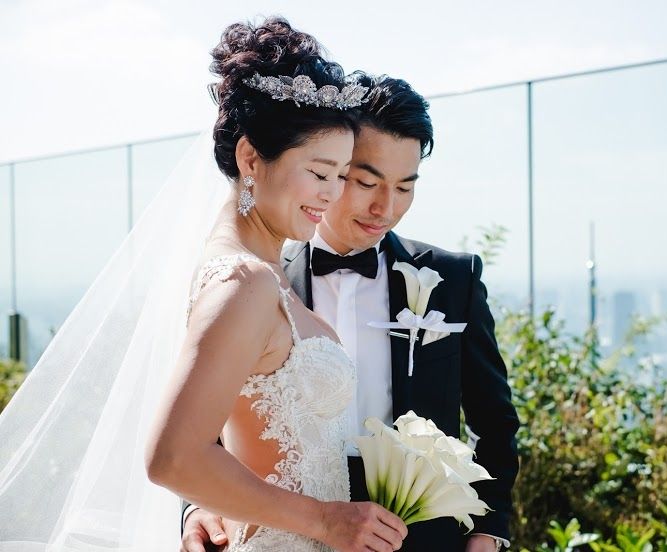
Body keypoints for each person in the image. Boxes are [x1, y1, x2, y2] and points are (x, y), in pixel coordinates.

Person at [0, 16, 406, 552]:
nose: (331, 194)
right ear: (250, 158)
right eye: (318, 172)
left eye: (340, 175)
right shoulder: (243, 281)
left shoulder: (256, 272)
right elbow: (173, 458)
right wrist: (326, 521)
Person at [182, 74, 520, 552]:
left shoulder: (452, 279)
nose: (386, 207)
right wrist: (199, 506)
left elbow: (495, 420)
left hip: (423, 539)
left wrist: (489, 529)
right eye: (365, 182)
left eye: (405, 187)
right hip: (287, 525)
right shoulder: (256, 281)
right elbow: (206, 413)